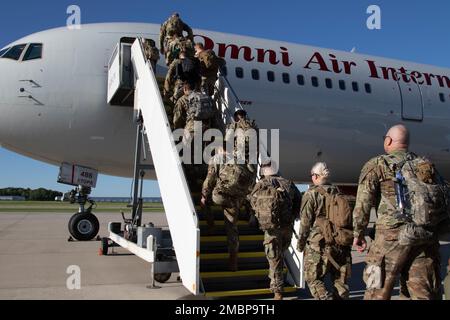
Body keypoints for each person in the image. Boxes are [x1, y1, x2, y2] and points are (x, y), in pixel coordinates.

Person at [353, 124, 444, 300]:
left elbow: (363, 204)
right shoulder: (425, 165)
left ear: (388, 141)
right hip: (423, 236)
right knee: (423, 293)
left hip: (389, 238)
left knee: (374, 290)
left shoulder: (377, 164)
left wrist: (359, 233)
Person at [296, 162, 353, 300]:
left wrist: (301, 244)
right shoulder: (337, 192)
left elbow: (305, 222)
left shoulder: (311, 194)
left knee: (313, 278)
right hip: (340, 242)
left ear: (315, 176)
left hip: (318, 244)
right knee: (340, 279)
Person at [248, 161, 301, 300]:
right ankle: (278, 284)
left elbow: (252, 202)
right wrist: (292, 216)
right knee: (279, 256)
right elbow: (298, 203)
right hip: (286, 228)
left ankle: (277, 292)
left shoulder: (260, 185)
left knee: (274, 259)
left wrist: (260, 217)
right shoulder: (288, 183)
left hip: (271, 229)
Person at [201, 146, 256, 272]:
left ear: (220, 150)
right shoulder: (241, 160)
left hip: (221, 196)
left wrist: (204, 196)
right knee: (232, 226)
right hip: (237, 198)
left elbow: (209, 180)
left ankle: (211, 226)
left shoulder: (217, 158)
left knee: (206, 200)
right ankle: (233, 259)